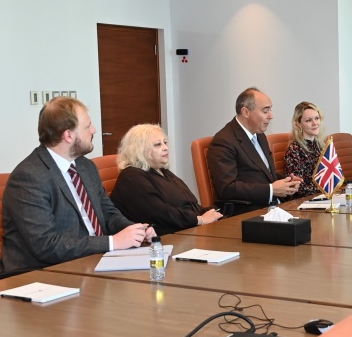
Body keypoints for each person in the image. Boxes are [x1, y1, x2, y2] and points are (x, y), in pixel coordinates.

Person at [0, 97, 156, 278]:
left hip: (91, 261)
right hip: (42, 273)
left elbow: (108, 213)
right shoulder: (29, 177)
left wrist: (135, 231)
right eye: (88, 126)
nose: (94, 130)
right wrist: (112, 242)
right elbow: (46, 245)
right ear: (68, 135)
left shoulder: (85, 166)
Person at [110, 124, 222, 235]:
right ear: (139, 150)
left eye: (165, 142)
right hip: (162, 238)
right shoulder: (131, 177)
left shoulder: (162, 171)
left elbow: (189, 204)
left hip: (186, 230)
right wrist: (200, 220)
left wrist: (211, 212)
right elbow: (161, 213)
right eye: (157, 144)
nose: (165, 148)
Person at [208, 87, 302, 216]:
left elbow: (263, 173)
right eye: (265, 111)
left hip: (272, 207)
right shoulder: (224, 141)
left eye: (270, 109)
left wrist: (287, 182)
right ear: (246, 112)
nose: (271, 116)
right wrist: (271, 190)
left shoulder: (259, 135)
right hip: (247, 211)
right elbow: (227, 188)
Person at [284, 101, 327, 198]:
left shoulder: (321, 145)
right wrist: (323, 190)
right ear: (298, 124)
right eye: (308, 120)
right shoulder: (294, 149)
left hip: (322, 196)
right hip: (305, 200)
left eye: (317, 118)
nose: (315, 123)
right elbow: (298, 187)